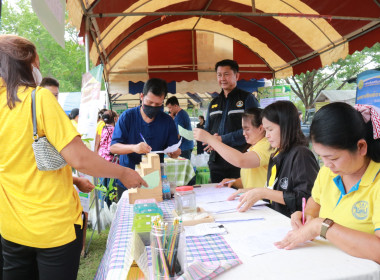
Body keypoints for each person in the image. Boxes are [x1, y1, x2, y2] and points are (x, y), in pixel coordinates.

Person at [0, 34, 147, 280]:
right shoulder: (39, 98)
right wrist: (123, 172)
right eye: (37, 64)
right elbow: (80, 158)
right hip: (53, 228)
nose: (38, 69)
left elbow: (18, 166)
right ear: (26, 63)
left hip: (12, 228)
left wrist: (75, 181)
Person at [275, 102, 380, 264]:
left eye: (333, 158)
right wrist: (306, 216)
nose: (327, 165)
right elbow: (314, 202)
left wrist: (321, 226)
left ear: (361, 147)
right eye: (321, 157)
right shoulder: (328, 173)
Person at [229, 101, 319, 216]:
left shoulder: (301, 154)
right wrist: (254, 191)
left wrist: (264, 193)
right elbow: (274, 191)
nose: (267, 136)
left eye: (270, 129)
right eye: (265, 131)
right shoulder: (276, 154)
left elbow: (306, 199)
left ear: (286, 126)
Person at [110, 78, 181, 199]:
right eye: (150, 102)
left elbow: (173, 150)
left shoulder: (167, 121)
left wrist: (175, 153)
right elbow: (114, 147)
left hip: (154, 181)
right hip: (128, 180)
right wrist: (134, 147)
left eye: (158, 104)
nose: (153, 107)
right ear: (141, 96)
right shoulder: (127, 117)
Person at [205, 59, 260, 183]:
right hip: (216, 160)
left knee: (237, 196)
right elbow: (207, 128)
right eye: (219, 75)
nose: (222, 78)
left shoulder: (247, 98)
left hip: (239, 158)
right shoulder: (213, 103)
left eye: (226, 74)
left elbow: (254, 129)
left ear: (237, 75)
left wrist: (222, 139)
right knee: (216, 195)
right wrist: (210, 138)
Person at [194, 108, 273, 189]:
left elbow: (241, 160)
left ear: (261, 128)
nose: (244, 133)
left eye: (247, 129)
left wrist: (210, 139)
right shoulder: (253, 147)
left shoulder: (267, 145)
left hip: (262, 200)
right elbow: (250, 180)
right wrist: (234, 182)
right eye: (243, 129)